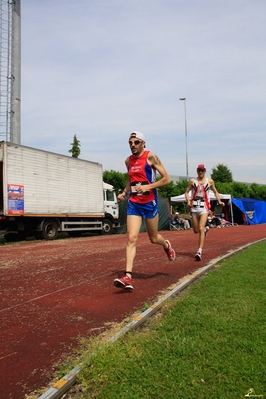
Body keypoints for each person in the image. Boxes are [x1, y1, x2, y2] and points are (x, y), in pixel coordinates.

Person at [114, 131, 176, 290]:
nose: (133, 145)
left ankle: (167, 246)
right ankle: (128, 276)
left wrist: (148, 187)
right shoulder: (128, 161)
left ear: (143, 143)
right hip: (134, 203)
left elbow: (166, 179)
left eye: (136, 142)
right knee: (131, 238)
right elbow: (130, 180)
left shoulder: (151, 157)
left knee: (153, 238)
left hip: (150, 203)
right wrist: (124, 192)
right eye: (130, 142)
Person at [185, 164, 225, 261]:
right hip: (194, 208)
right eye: (199, 170)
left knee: (201, 228)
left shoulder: (210, 181)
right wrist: (188, 201)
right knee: (195, 230)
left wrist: (219, 201)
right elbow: (186, 192)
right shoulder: (192, 181)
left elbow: (215, 192)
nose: (200, 172)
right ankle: (205, 230)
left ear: (205, 171)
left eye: (202, 170)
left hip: (204, 207)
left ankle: (199, 251)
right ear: (197, 171)